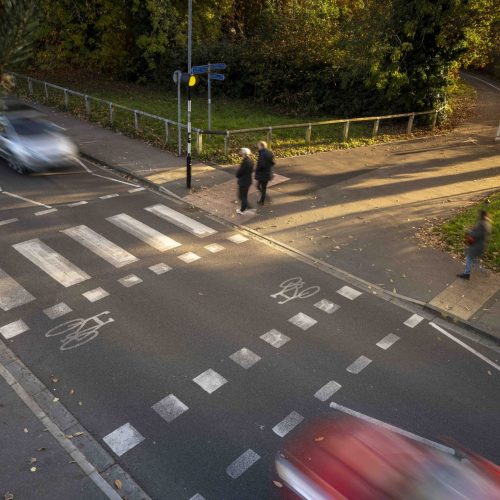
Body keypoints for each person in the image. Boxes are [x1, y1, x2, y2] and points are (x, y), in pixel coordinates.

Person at [457, 210, 492, 280]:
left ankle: (467, 273)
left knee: (469, 258)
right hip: (480, 245)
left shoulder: (482, 224)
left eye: (479, 215)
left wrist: (469, 231)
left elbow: (477, 235)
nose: (477, 216)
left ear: (482, 216)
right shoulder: (487, 223)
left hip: (477, 246)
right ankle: (482, 271)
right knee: (473, 260)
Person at [255, 141, 275, 205]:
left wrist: (257, 170)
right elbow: (273, 162)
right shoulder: (270, 152)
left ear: (262, 146)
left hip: (263, 174)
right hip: (268, 173)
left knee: (260, 186)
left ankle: (263, 200)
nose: (258, 147)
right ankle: (263, 199)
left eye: (258, 146)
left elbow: (261, 165)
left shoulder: (262, 154)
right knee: (261, 187)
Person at [236, 147, 254, 214]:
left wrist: (237, 174)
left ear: (244, 153)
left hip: (244, 181)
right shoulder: (250, 160)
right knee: (244, 195)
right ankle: (247, 207)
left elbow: (240, 172)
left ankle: (242, 210)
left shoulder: (245, 162)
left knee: (241, 196)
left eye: (241, 151)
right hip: (248, 180)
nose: (240, 152)